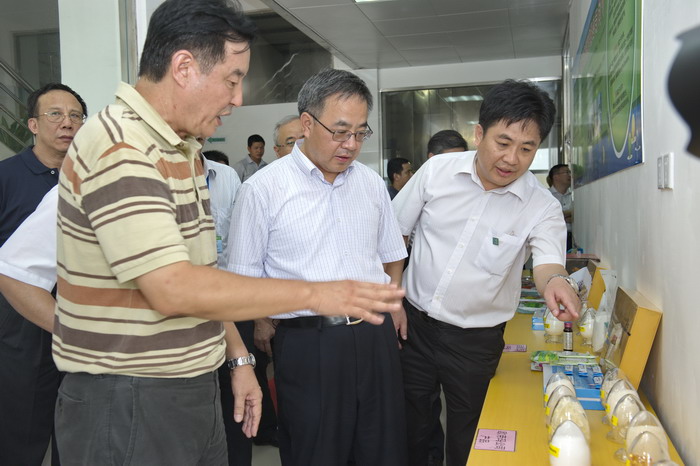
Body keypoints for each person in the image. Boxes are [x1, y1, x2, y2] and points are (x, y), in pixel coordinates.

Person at [53, 2, 403, 464]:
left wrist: (238, 359)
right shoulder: (121, 146)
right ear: (184, 68)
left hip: (187, 385)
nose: (238, 99)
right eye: (232, 80)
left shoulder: (178, 150)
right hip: (132, 395)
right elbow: (173, 287)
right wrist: (320, 295)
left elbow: (203, 277)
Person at [393, 79, 581, 466]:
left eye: (526, 148)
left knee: (470, 438)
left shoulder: (541, 206)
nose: (511, 158)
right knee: (412, 428)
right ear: (479, 134)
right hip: (413, 326)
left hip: (475, 342)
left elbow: (548, 263)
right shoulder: (436, 172)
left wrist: (557, 282)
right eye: (503, 142)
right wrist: (392, 296)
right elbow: (395, 235)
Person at [227, 68, 408, 466]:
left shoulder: (370, 183)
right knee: (316, 451)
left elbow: (391, 252)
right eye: (340, 132)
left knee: (383, 448)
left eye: (360, 133)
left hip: (375, 338)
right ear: (307, 124)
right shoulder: (262, 189)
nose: (351, 144)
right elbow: (239, 284)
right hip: (309, 343)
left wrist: (394, 299)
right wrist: (253, 337)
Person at [0, 82, 86, 466]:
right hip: (20, 330)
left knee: (77, 434)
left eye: (75, 116)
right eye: (55, 114)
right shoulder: (6, 177)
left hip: (82, 324)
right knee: (22, 435)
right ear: (32, 125)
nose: (66, 123)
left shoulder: (92, 180)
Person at [547, 163, 574, 250]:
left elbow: (577, 216)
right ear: (556, 177)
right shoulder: (545, 196)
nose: (570, 175)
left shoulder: (573, 196)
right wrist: (568, 214)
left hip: (571, 240)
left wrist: (559, 216)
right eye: (567, 172)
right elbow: (547, 218)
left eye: (570, 172)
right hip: (551, 240)